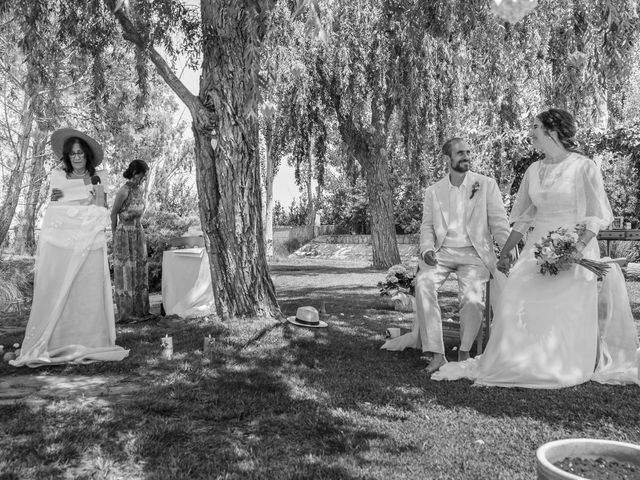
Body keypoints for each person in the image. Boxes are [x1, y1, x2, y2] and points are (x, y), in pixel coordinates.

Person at [433, 109, 640, 387]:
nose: (530, 132)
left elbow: (595, 216)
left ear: (552, 132)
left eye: (536, 127)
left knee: (563, 304)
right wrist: (504, 253)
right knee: (515, 292)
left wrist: (577, 248)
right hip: (537, 247)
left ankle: (559, 360)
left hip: (576, 250)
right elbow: (523, 219)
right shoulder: (533, 169)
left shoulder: (584, 167)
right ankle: (519, 358)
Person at [382, 137, 511, 374]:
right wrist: (427, 250)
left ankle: (464, 351)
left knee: (472, 299)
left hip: (475, 255)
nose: (466, 157)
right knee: (423, 284)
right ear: (448, 158)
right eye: (460, 152)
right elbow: (427, 227)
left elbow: (500, 223)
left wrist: (507, 250)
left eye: (469, 152)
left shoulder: (486, 184)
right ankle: (437, 354)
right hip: (442, 253)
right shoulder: (434, 191)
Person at [11, 128, 129, 367]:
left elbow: (99, 208)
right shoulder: (58, 176)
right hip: (64, 243)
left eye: (80, 153)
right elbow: (56, 207)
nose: (76, 157)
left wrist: (80, 200)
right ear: (67, 156)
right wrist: (68, 202)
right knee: (62, 287)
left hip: (91, 242)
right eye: (72, 153)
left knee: (88, 290)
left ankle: (92, 339)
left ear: (87, 155)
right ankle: (57, 339)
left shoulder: (98, 177)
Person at [111, 160, 151, 323]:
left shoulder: (140, 190)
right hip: (124, 235)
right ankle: (127, 313)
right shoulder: (123, 191)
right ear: (135, 173)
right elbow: (113, 214)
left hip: (137, 232)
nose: (144, 178)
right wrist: (114, 237)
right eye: (143, 175)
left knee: (140, 269)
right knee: (126, 273)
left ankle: (141, 310)